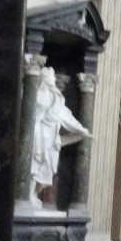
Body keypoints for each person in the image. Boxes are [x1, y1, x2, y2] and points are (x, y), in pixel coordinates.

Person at [30, 66, 93, 208]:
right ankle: (28, 196)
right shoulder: (36, 95)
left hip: (50, 137)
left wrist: (81, 129)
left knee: (44, 167)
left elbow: (65, 116)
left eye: (53, 77)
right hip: (38, 136)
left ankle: (33, 195)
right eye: (51, 78)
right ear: (44, 79)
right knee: (34, 166)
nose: (53, 80)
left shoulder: (55, 98)